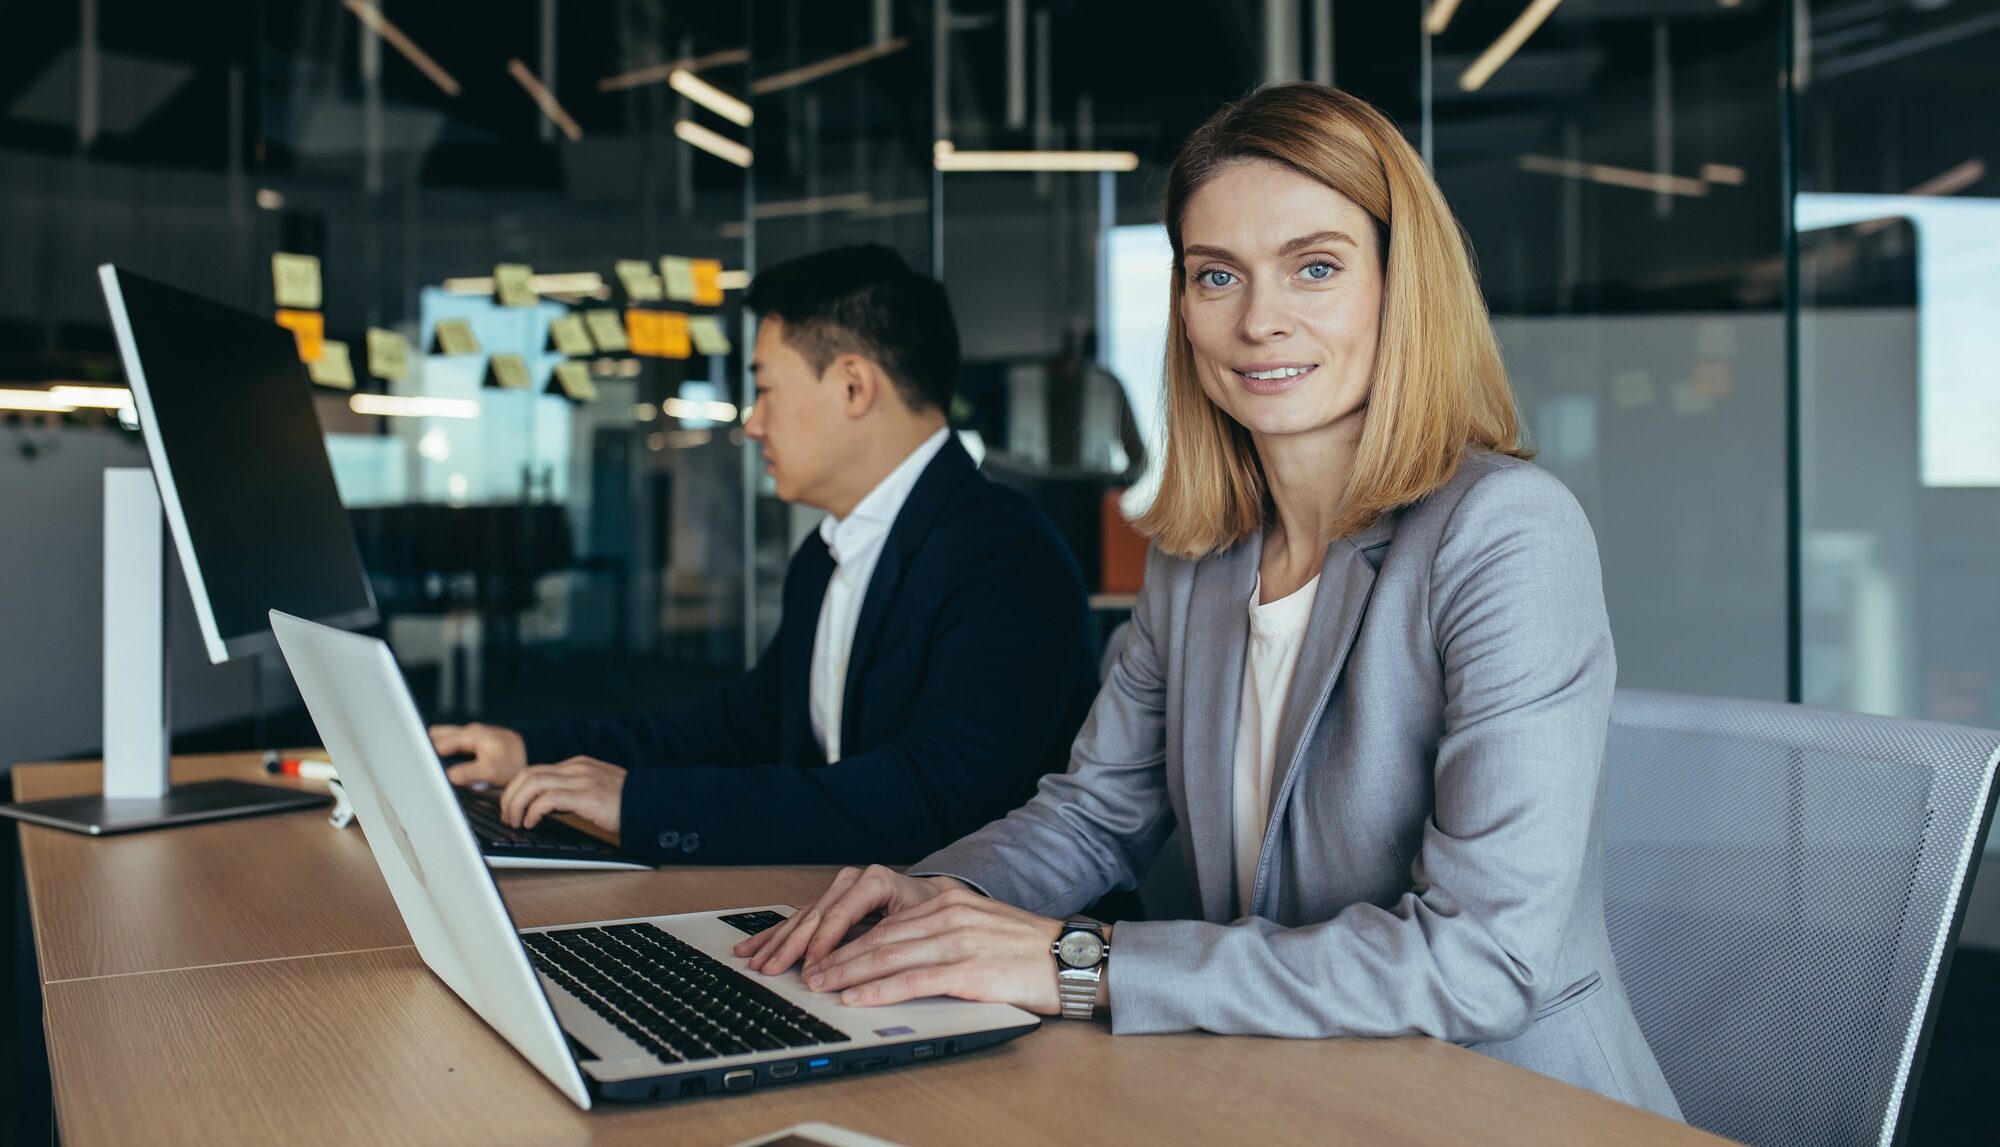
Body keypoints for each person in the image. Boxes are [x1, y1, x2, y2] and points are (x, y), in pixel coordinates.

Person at [734, 84, 1683, 1120]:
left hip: (1495, 1105)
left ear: (1398, 287)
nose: (1257, 319)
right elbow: (1095, 816)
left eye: (1313, 267)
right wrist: (933, 895)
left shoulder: (1501, 533)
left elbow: (1482, 959)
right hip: (1278, 1088)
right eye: (1214, 275)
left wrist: (1080, 963)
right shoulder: (1202, 557)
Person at [430, 244, 1099, 867]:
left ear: (853, 387)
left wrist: (640, 806)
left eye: (766, 388)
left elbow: (929, 799)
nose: (751, 422)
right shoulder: (827, 554)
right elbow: (739, 727)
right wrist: (529, 753)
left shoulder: (1006, 557)